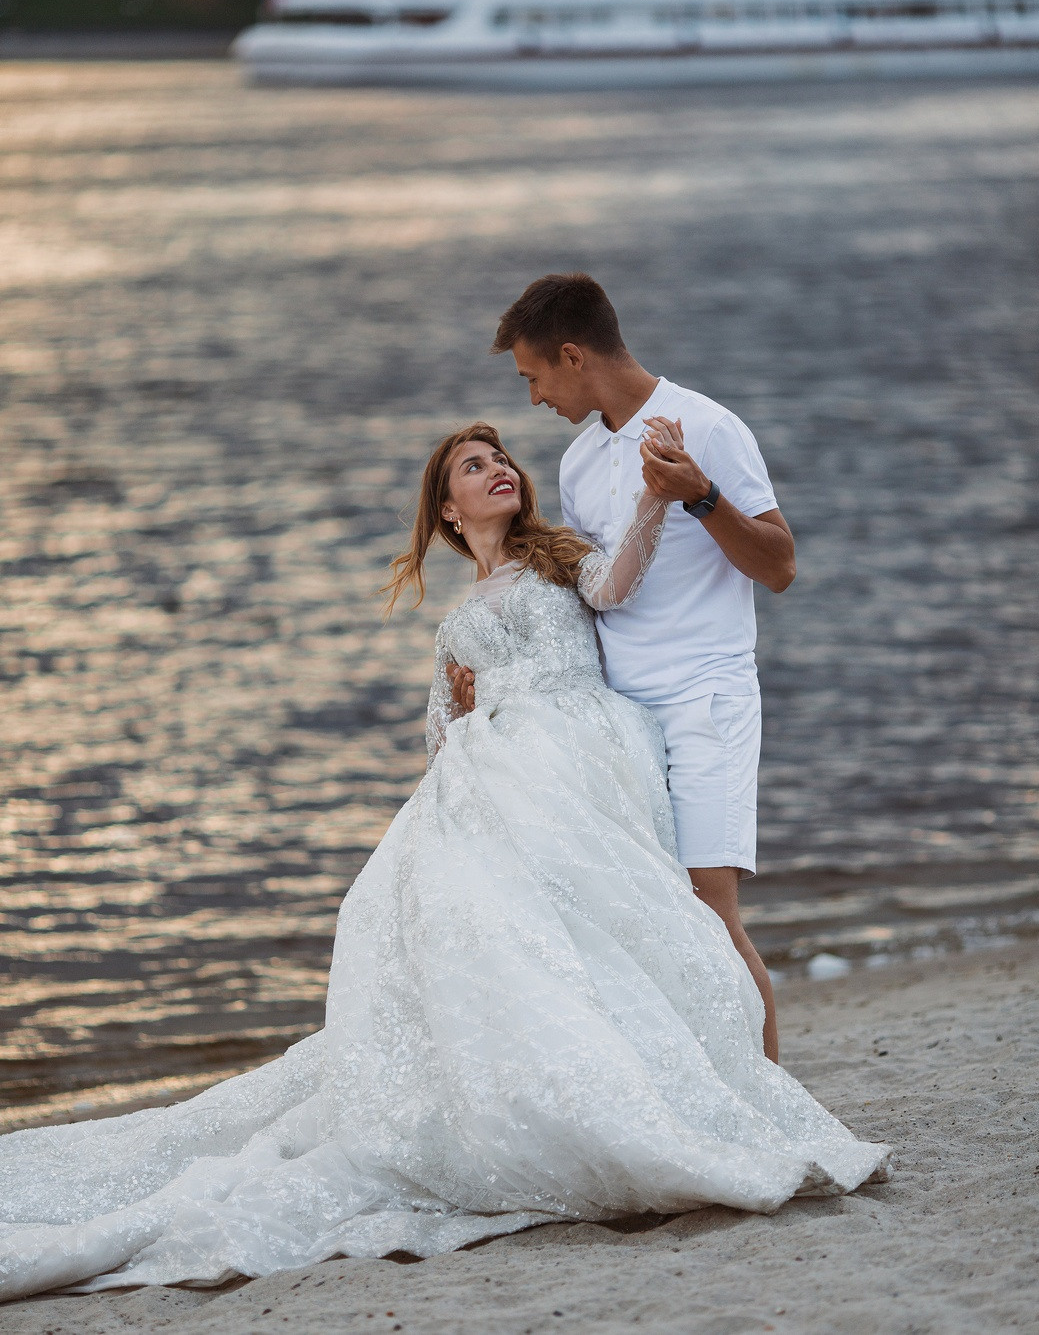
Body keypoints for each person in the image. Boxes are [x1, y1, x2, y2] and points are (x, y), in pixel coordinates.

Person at [0, 423, 887, 1305]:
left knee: (618, 930)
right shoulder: (456, 625)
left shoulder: (557, 559)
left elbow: (615, 588)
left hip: (583, 753)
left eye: (501, 459)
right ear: (449, 510)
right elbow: (440, 746)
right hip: (503, 771)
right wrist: (466, 713)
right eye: (473, 465)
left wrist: (655, 498)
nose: (498, 469)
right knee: (476, 918)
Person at [447, 272, 791, 1062]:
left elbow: (779, 565)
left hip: (705, 699)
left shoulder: (709, 426)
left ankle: (773, 1102)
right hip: (617, 725)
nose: (534, 397)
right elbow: (587, 599)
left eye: (534, 377)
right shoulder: (576, 463)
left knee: (711, 911)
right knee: (649, 920)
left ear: (573, 356)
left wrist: (701, 496)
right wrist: (491, 678)